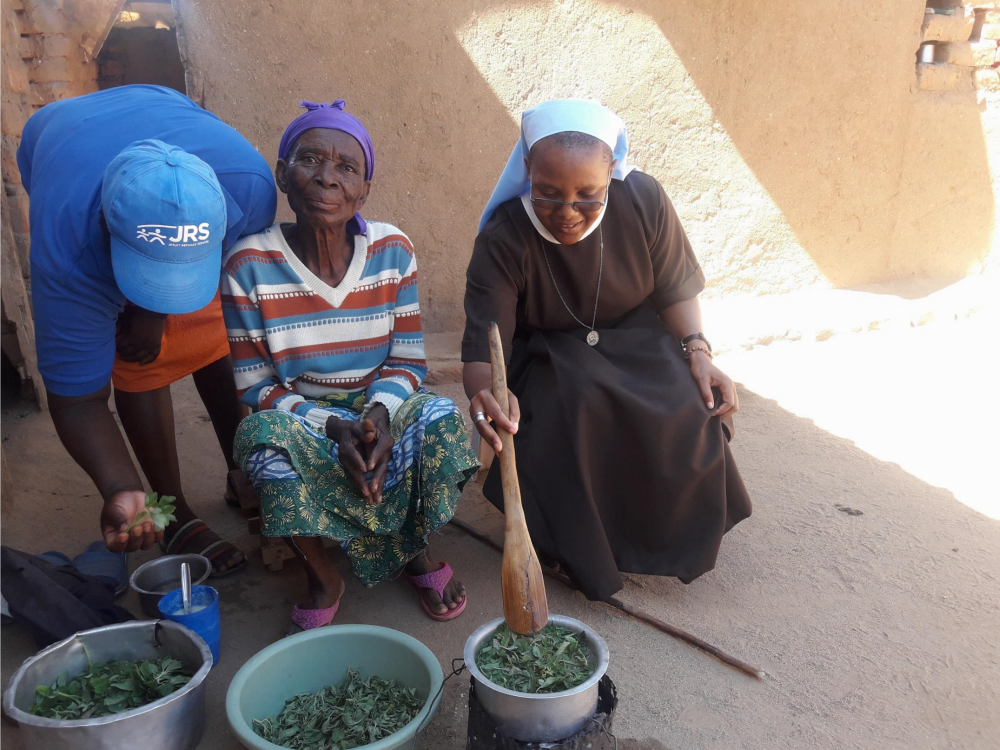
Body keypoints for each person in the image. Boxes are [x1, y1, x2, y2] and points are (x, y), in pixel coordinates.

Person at [462, 99, 752, 602]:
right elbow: (483, 344)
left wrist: (699, 352)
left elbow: (676, 287)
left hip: (637, 335)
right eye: (549, 193)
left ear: (612, 172)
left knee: (686, 407)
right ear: (527, 169)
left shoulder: (643, 199)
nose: (567, 212)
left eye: (588, 196)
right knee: (571, 414)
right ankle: (580, 549)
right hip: (548, 351)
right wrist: (485, 393)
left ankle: (663, 538)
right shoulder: (505, 235)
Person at [222, 100, 478, 631]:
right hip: (305, 417)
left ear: (365, 188)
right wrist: (332, 426)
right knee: (259, 441)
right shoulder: (248, 265)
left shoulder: (392, 250)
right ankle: (322, 575)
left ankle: (414, 551)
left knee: (440, 419)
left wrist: (379, 417)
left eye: (346, 168)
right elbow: (255, 385)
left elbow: (407, 360)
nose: (326, 180)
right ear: (282, 175)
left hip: (380, 406)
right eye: (309, 160)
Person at [18, 85, 278, 576]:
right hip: (56, 134)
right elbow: (78, 400)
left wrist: (158, 309)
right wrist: (120, 486)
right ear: (102, 230)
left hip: (156, 102)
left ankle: (242, 470)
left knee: (215, 332)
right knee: (137, 350)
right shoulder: (68, 248)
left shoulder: (248, 186)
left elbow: (234, 304)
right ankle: (171, 504)